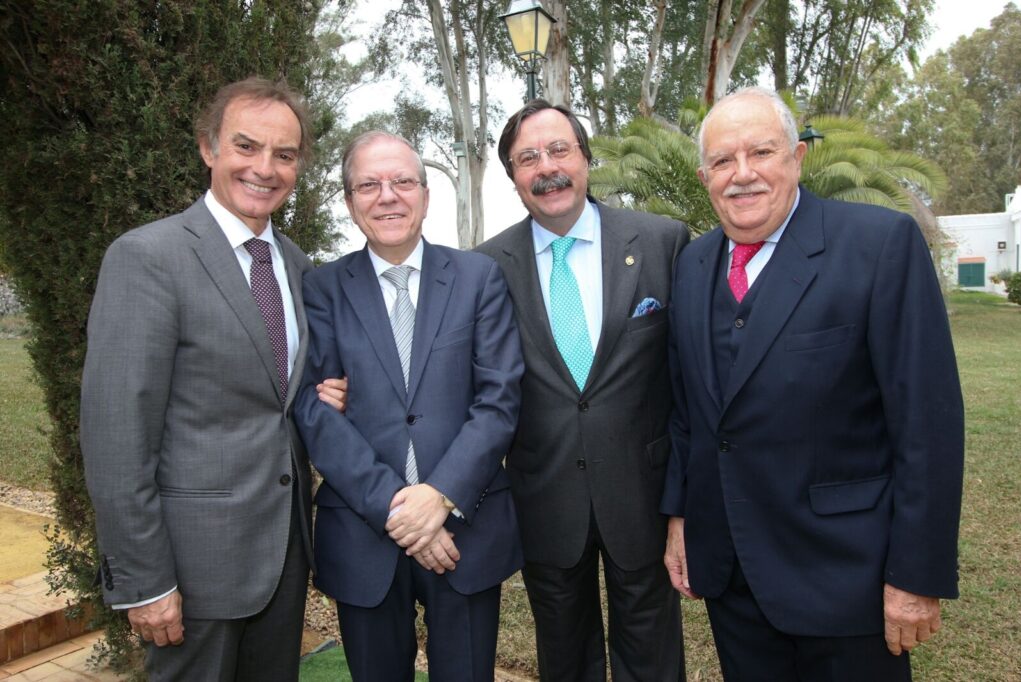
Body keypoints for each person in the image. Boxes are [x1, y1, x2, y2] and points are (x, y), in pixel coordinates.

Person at [660, 87, 964, 681]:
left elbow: (927, 424)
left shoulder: (880, 246)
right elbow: (688, 412)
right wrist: (681, 518)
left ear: (797, 158)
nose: (742, 175)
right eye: (723, 161)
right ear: (704, 177)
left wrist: (916, 576)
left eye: (762, 153)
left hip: (846, 577)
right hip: (733, 577)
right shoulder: (692, 267)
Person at [80, 77, 344, 680]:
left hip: (282, 559)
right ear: (208, 148)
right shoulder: (148, 258)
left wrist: (326, 396)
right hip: (191, 570)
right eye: (246, 147)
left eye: (284, 154)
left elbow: (278, 397)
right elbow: (116, 435)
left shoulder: (299, 267)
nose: (265, 168)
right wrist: (144, 581)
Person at [294, 131, 524, 682]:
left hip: (465, 533)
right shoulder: (321, 288)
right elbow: (314, 410)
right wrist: (400, 508)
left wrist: (440, 498)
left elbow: (499, 399)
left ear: (425, 194)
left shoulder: (477, 278)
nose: (387, 196)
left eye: (402, 181)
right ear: (350, 203)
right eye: (368, 185)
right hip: (362, 535)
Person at [475, 100, 689, 681]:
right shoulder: (485, 268)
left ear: (586, 158)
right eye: (528, 158)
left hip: (642, 497)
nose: (547, 167)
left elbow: (691, 380)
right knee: (565, 662)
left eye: (559, 150)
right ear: (514, 177)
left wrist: (684, 502)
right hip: (545, 502)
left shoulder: (663, 243)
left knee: (653, 660)